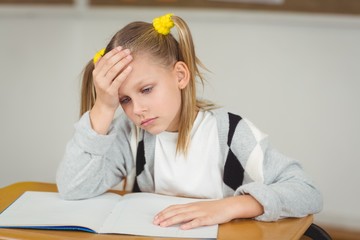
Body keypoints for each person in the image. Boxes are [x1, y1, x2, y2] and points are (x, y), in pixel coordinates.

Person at [56, 13, 322, 230]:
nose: (137, 109)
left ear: (180, 75)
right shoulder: (132, 134)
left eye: (146, 89)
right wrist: (103, 106)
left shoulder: (230, 132)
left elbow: (307, 192)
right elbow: (73, 188)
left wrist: (230, 206)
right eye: (123, 99)